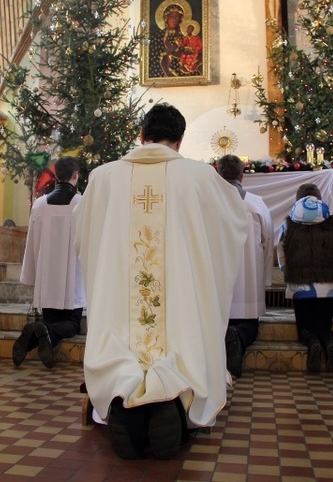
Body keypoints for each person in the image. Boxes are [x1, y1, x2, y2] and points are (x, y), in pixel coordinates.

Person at [74, 103, 248, 460]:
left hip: (120, 299)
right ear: (180, 140)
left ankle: (125, 402)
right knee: (181, 342)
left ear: (141, 135)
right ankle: (174, 406)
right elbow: (233, 224)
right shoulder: (201, 176)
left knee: (122, 343)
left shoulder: (104, 176)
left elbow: (83, 234)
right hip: (180, 299)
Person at [15, 156, 86, 368]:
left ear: (55, 175)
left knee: (49, 320)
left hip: (47, 279)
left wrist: (31, 275)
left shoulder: (39, 204)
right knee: (72, 325)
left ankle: (34, 336)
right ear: (76, 175)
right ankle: (45, 333)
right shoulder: (81, 204)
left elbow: (32, 243)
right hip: (72, 277)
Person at [215, 154, 274, 378]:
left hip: (217, 283)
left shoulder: (208, 202)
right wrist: (264, 279)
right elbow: (269, 242)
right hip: (249, 279)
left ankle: (225, 344)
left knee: (216, 322)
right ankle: (238, 337)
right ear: (242, 175)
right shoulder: (256, 203)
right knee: (250, 326)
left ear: (218, 174)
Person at [278, 183, 333, 373]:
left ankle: (311, 341)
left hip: (300, 285)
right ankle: (329, 343)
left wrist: (287, 274)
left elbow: (281, 255)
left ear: (297, 200)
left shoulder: (288, 225)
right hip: (328, 284)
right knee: (324, 325)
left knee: (305, 327)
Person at [149, 3, 188, 78]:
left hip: (180, 67)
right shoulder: (158, 35)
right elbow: (155, 54)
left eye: (177, 16)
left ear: (180, 18)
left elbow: (187, 50)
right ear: (166, 18)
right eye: (171, 16)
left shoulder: (183, 35)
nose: (174, 19)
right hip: (162, 69)